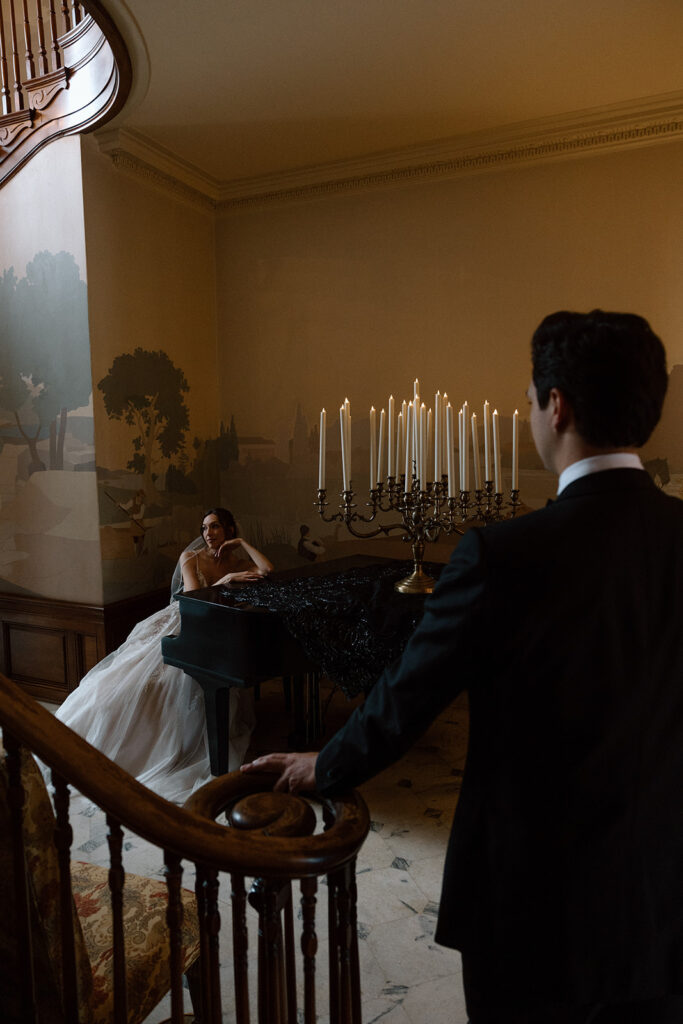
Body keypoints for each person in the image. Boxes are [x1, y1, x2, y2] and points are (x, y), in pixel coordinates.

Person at [243, 311, 683, 1023]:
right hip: (663, 892)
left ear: (556, 406)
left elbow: (404, 699)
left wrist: (323, 765)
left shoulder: (500, 554)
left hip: (529, 902)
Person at [56, 507, 273, 804]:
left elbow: (268, 570)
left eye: (216, 527)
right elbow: (195, 597)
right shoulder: (191, 558)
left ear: (230, 531)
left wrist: (244, 545)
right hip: (185, 622)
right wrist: (229, 579)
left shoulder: (236, 557)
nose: (208, 534)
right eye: (205, 528)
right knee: (133, 685)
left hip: (217, 630)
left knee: (198, 688)